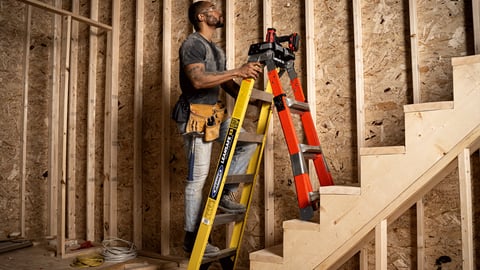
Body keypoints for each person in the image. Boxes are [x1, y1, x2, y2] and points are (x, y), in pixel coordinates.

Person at [171, 1, 263, 257]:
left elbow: (225, 83)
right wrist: (238, 70)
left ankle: (225, 193)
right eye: (213, 8)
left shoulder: (217, 51)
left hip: (215, 115)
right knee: (197, 181)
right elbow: (198, 80)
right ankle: (192, 239)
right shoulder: (193, 44)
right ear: (202, 16)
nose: (218, 11)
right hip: (194, 116)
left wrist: (253, 98)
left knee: (246, 143)